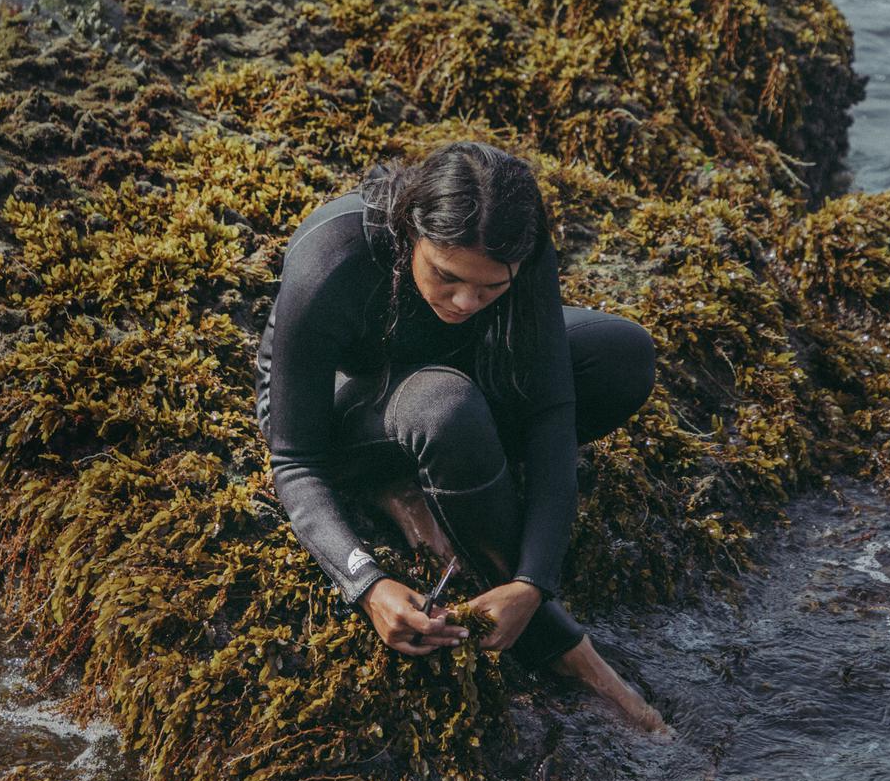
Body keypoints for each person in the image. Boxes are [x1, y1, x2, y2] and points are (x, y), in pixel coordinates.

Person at [255, 139, 670, 735]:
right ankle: (569, 653)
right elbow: (295, 460)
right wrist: (366, 584)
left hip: (446, 373)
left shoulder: (518, 250)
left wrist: (532, 581)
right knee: (449, 410)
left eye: (490, 289)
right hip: (342, 409)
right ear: (410, 232)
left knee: (620, 355)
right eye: (446, 276)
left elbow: (554, 414)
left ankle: (438, 476)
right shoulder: (334, 256)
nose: (466, 301)